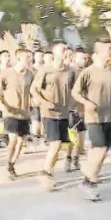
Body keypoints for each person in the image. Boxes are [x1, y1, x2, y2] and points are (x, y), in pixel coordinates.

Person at [72, 38, 111, 201]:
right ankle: (88, 179)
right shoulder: (88, 72)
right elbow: (75, 93)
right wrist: (87, 103)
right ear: (99, 53)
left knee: (101, 150)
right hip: (93, 117)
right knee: (99, 148)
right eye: (109, 49)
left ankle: (88, 180)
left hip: (110, 117)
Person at [30, 40, 75, 191]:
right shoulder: (45, 70)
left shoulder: (70, 71)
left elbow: (75, 91)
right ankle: (46, 174)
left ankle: (48, 172)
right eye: (62, 49)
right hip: (49, 113)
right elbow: (34, 89)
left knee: (60, 145)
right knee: (55, 144)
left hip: (63, 113)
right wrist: (43, 102)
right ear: (54, 52)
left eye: (67, 49)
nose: (66, 51)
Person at [0, 49, 34, 180]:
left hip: (24, 113)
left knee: (21, 142)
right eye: (27, 57)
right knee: (14, 139)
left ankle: (12, 164)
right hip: (10, 112)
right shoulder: (7, 73)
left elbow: (34, 90)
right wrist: (0, 103)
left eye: (30, 57)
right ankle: (8, 165)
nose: (29, 60)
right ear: (19, 58)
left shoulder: (30, 74)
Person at [65, 48, 87, 172]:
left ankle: (76, 158)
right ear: (74, 57)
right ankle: (68, 159)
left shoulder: (85, 71)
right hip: (72, 109)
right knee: (72, 139)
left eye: (84, 58)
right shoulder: (71, 71)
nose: (83, 61)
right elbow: (67, 89)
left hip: (83, 109)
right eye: (81, 58)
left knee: (82, 137)